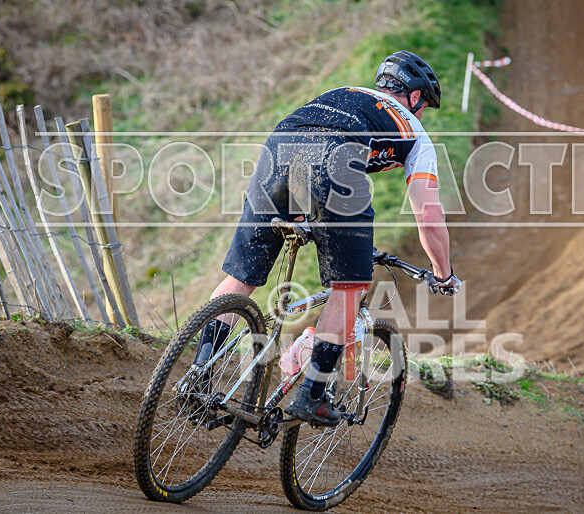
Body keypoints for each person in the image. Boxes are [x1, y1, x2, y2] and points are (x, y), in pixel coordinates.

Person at [195, 50, 461, 426]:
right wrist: (443, 273)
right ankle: (313, 394)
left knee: (242, 277)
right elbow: (428, 214)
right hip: (336, 163)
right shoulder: (415, 134)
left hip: (277, 149)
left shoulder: (343, 91)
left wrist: (303, 210)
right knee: (349, 287)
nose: (422, 116)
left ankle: (198, 372)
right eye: (424, 107)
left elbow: (308, 141)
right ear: (415, 98)